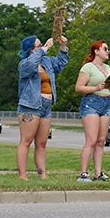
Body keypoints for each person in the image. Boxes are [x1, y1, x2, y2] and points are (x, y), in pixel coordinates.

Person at [16, 35, 69, 180]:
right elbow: (32, 63)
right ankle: (22, 175)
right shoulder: (25, 63)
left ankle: (43, 175)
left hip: (46, 106)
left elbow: (60, 64)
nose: (43, 47)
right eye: (39, 45)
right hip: (30, 106)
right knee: (26, 141)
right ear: (31, 49)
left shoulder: (46, 61)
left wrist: (63, 46)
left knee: (42, 143)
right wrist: (45, 48)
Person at [75, 39, 110, 182]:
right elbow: (78, 87)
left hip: (105, 103)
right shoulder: (88, 67)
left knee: (101, 140)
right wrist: (95, 88)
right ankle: (83, 174)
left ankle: (98, 173)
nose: (108, 51)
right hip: (91, 102)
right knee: (91, 140)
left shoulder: (108, 68)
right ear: (96, 51)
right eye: (105, 48)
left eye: (108, 49)